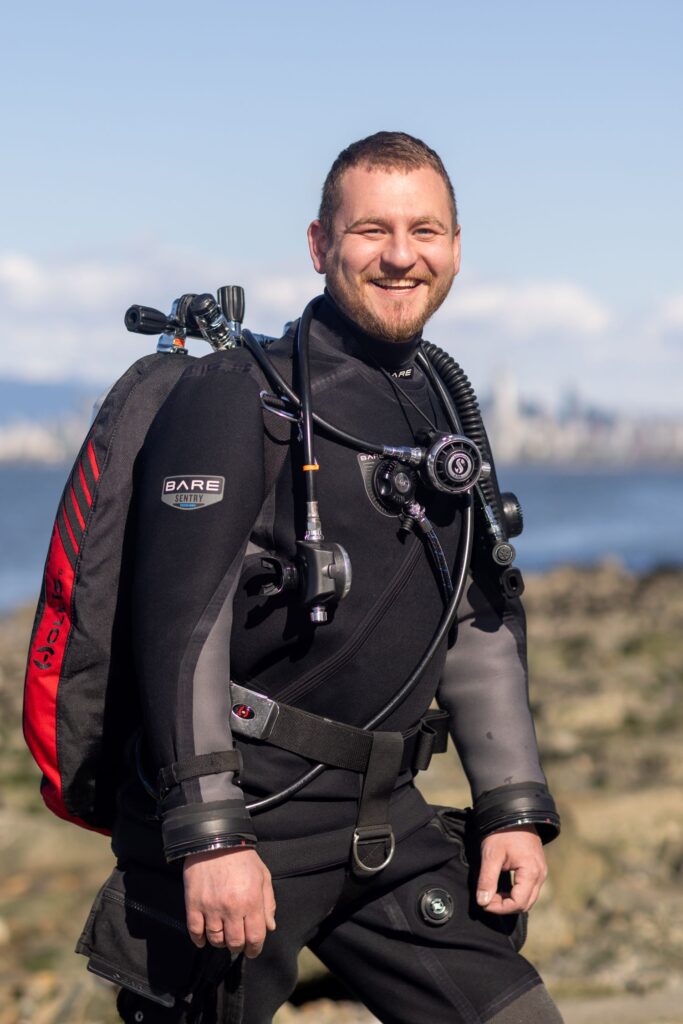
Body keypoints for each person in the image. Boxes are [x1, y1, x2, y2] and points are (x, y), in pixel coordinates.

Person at [77, 131, 564, 1024]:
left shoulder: (439, 403)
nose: (400, 255)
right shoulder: (235, 395)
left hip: (384, 817)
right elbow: (180, 627)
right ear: (317, 245)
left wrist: (511, 805)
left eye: (425, 230)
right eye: (369, 229)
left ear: (456, 244)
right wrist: (209, 834)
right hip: (244, 818)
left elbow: (472, 616)